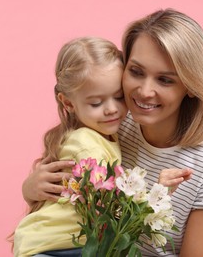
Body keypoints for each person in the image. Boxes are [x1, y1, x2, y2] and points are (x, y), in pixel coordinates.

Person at [22, 8, 203, 257]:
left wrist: (155, 197)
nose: (144, 91)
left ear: (191, 85)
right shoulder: (113, 125)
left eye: (165, 80)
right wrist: (31, 189)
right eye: (136, 72)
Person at [13, 36, 128, 257]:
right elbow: (109, 204)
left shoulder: (104, 133)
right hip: (55, 247)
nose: (112, 109)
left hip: (64, 244)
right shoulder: (86, 144)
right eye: (96, 103)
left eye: (119, 96)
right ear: (68, 103)